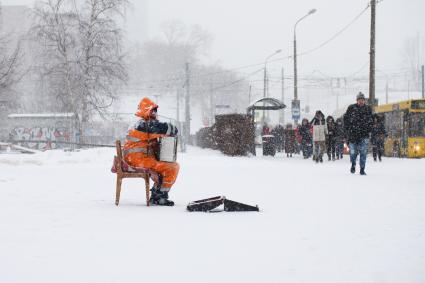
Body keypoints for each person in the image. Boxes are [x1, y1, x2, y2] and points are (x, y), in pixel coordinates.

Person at [123, 97, 179, 206]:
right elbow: (168, 129)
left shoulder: (141, 124)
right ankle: (159, 196)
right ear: (146, 111)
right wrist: (171, 129)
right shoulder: (143, 125)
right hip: (137, 160)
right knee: (172, 167)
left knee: (168, 165)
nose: (155, 114)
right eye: (152, 111)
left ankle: (157, 194)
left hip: (138, 159)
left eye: (155, 111)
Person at [343, 92, 373, 175]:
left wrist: (369, 129)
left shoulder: (368, 109)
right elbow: (345, 119)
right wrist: (348, 129)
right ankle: (353, 164)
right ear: (357, 100)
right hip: (353, 135)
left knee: (363, 153)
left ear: (364, 101)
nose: (361, 101)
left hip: (364, 135)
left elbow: (371, 120)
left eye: (362, 100)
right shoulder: (351, 108)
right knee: (353, 153)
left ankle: (362, 169)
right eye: (359, 100)